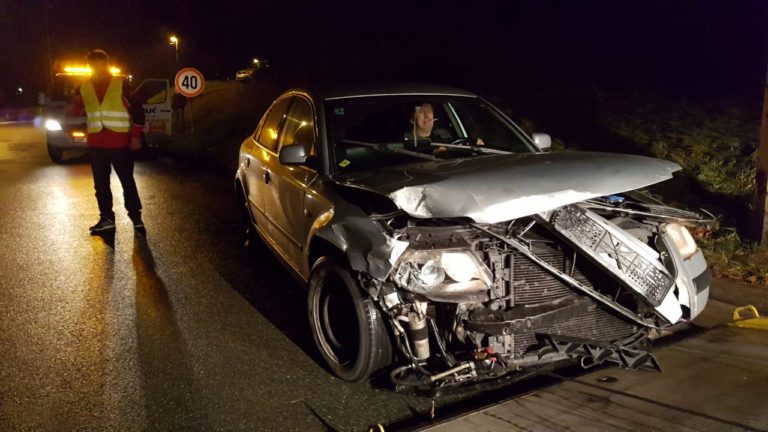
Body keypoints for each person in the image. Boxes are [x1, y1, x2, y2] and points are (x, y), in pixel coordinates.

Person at [69, 49, 145, 234]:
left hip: (120, 143)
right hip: (96, 144)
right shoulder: (85, 87)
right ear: (89, 66)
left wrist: (136, 136)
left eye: (100, 64)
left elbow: (138, 110)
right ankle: (107, 219)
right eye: (93, 65)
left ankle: (136, 217)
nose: (97, 68)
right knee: (101, 185)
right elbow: (76, 109)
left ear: (106, 64)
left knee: (127, 181)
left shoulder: (121, 83)